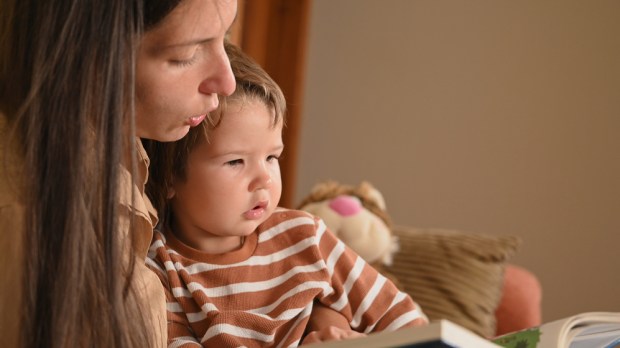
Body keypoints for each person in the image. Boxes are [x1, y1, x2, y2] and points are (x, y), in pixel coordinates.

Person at [144, 42, 428, 347]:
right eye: (235, 161)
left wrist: (354, 340)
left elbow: (405, 319)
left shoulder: (306, 236)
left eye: (272, 158)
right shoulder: (159, 269)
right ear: (170, 175)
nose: (264, 178)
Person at [0, 0, 237, 347]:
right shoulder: (23, 225)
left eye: (225, 37)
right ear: (83, 53)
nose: (227, 82)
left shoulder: (125, 151)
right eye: (186, 54)